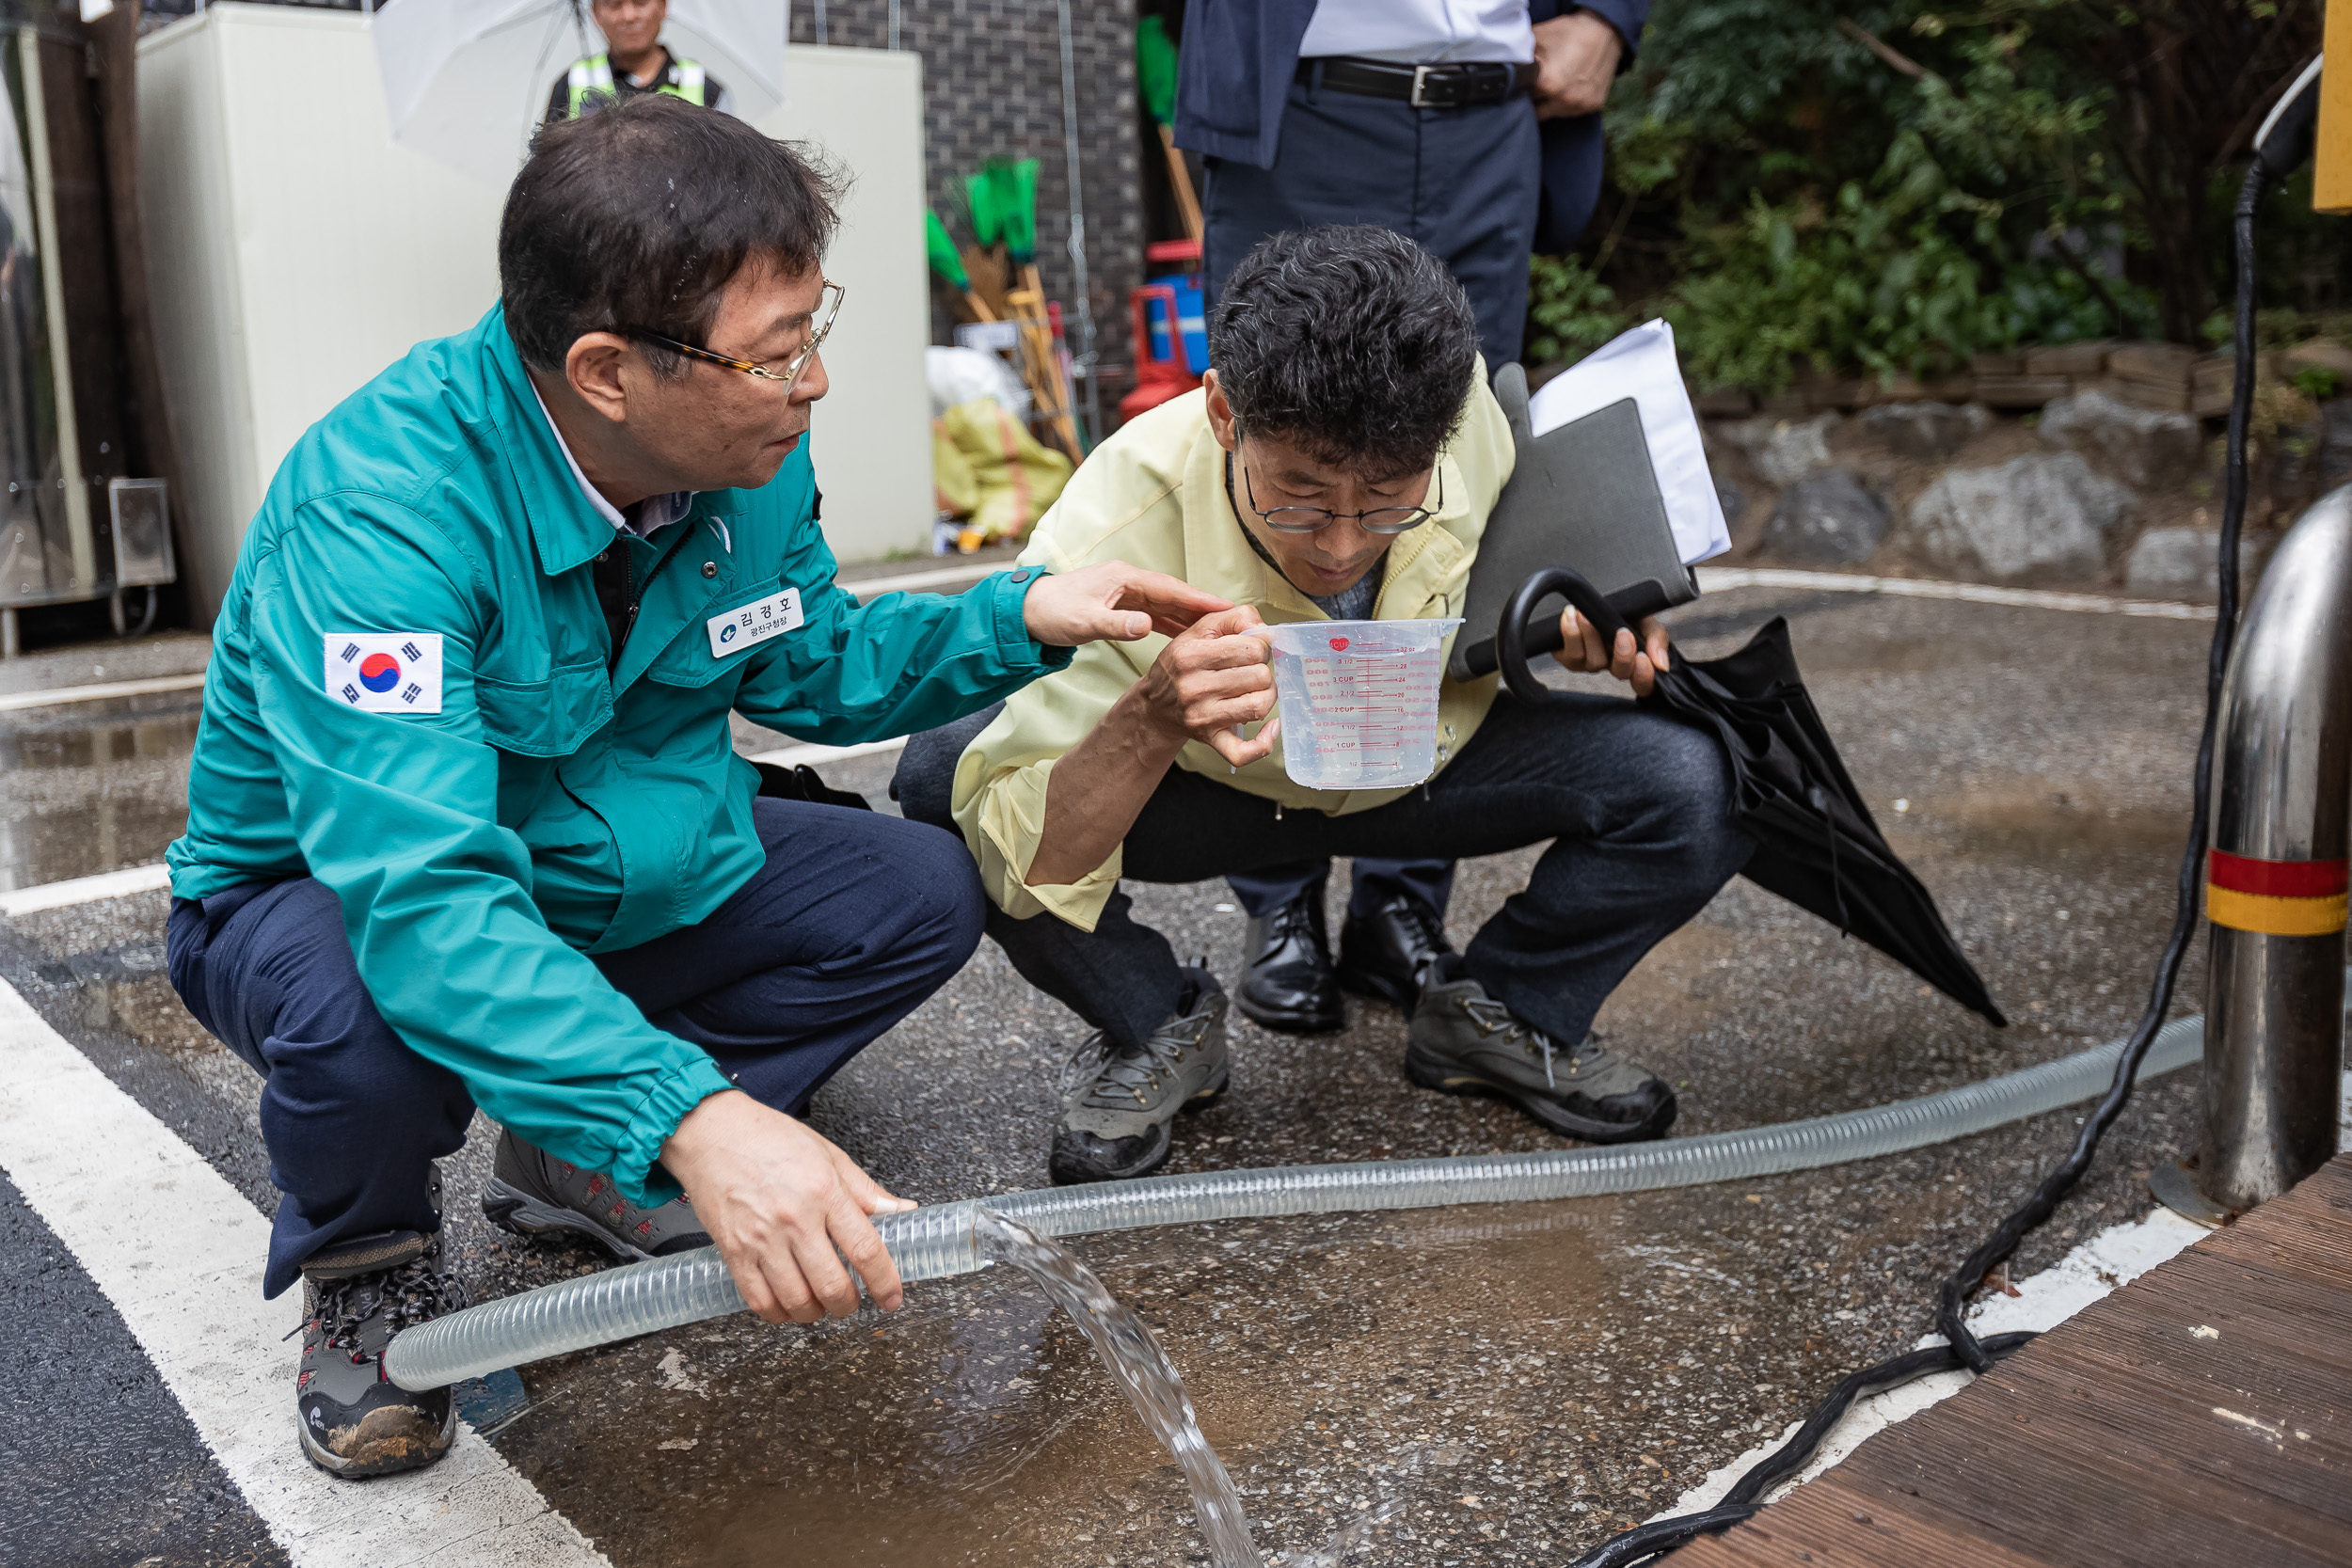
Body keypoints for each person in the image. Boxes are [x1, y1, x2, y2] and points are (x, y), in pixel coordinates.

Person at [162, 97, 1220, 1481]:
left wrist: (1022, 615)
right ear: (607, 369)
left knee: (914, 891)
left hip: (589, 849)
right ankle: (372, 1255)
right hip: (324, 886)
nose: (814, 383)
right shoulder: (379, 518)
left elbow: (812, 663)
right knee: (371, 996)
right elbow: (421, 893)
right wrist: (700, 1114)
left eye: (813, 331)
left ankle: (580, 1155)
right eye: (779, 353)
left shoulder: (740, 448)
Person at [896, 226, 1753, 1185]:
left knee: (1705, 774)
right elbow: (1029, 858)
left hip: (1427, 753)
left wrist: (1599, 608)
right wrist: (1154, 716)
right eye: (1298, 496)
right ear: (1223, 411)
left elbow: (1542, 532)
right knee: (948, 772)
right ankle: (1155, 1021)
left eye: (1388, 502)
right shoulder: (1104, 534)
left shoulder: (1461, 407)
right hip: (1213, 786)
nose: (1342, 545)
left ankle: (1505, 1009)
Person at [1172, 0, 1649, 1037]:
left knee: (1454, 489)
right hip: (1298, 108)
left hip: (1494, 116)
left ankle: (1401, 895)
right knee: (1284, 484)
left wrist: (1610, 17)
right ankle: (1280, 889)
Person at [545, 0, 729, 122]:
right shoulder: (572, 84)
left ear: (663, 6)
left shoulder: (706, 88)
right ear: (596, 13)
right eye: (614, 4)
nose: (629, 16)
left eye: (640, 2)